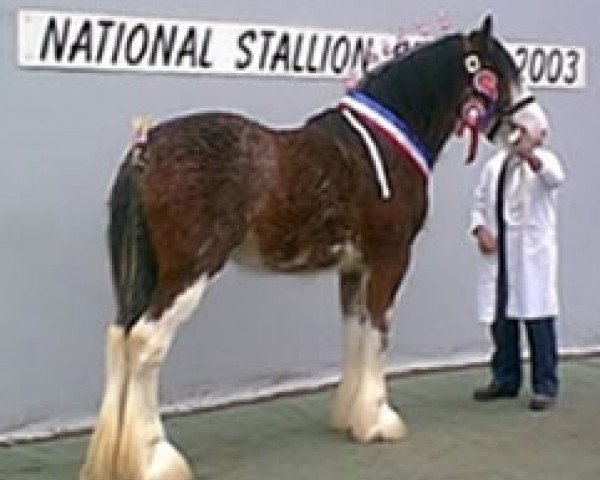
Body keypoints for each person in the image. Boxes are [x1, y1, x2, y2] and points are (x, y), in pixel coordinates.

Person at [469, 110, 565, 411]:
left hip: (532, 252)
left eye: (524, 131)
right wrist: (479, 228)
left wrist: (530, 157)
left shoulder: (546, 161)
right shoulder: (494, 166)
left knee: (538, 317)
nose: (517, 136)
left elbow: (553, 180)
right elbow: (479, 202)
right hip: (502, 251)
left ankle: (545, 384)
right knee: (502, 319)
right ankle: (505, 378)